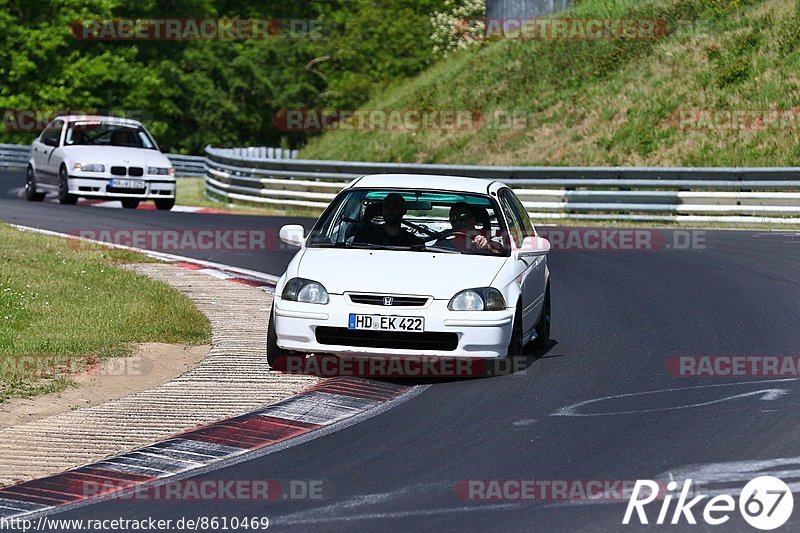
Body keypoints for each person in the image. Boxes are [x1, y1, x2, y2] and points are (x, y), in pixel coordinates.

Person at [353, 193, 424, 247]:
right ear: (382, 210)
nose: (390, 211)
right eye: (386, 207)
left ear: (404, 211)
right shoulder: (365, 235)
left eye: (395, 207)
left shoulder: (414, 242)